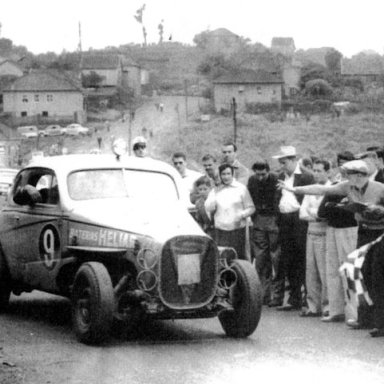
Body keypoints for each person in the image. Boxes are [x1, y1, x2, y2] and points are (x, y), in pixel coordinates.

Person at [279, 159, 384, 332]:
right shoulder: (347, 186)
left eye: (349, 174)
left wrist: (379, 210)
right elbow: (322, 189)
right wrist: (295, 189)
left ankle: (380, 323)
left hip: (379, 234)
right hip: (363, 232)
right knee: (359, 274)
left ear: (360, 175)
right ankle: (364, 318)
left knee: (377, 276)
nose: (346, 177)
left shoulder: (379, 188)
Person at [317, 151, 358, 323]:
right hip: (332, 228)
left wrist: (337, 206)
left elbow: (354, 207)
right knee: (332, 270)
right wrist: (336, 205)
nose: (343, 165)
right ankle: (336, 310)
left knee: (349, 270)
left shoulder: (355, 185)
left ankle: (355, 313)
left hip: (348, 229)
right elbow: (322, 211)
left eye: (347, 162)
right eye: (341, 162)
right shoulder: (336, 183)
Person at [273, 146, 314, 311]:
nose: (282, 166)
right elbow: (277, 198)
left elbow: (309, 197)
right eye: (280, 163)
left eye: (284, 162)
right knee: (288, 258)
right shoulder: (280, 176)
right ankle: (294, 296)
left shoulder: (306, 176)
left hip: (299, 220)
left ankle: (306, 296)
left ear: (293, 160)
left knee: (301, 256)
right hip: (285, 220)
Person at [247, 160, 283, 306]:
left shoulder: (275, 179)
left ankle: (277, 295)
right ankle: (263, 294)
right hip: (259, 219)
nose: (260, 177)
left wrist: (276, 218)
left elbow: (278, 200)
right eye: (258, 174)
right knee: (261, 258)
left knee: (276, 257)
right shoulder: (252, 180)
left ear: (268, 171)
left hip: (273, 219)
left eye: (263, 174)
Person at [299, 160, 331, 318]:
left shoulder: (331, 190)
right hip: (311, 232)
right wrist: (315, 214)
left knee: (324, 271)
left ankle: (327, 306)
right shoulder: (310, 190)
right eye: (315, 171)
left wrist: (315, 213)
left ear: (328, 172)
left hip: (325, 234)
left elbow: (323, 214)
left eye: (320, 171)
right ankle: (313, 306)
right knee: (310, 271)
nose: (317, 174)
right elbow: (302, 213)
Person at [205, 163, 255, 260]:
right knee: (223, 258)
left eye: (228, 174)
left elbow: (251, 208)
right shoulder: (215, 190)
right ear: (220, 175)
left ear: (232, 174)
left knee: (238, 258)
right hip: (221, 231)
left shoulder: (241, 188)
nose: (226, 177)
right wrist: (214, 193)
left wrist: (241, 215)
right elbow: (208, 208)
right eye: (223, 174)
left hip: (237, 231)